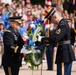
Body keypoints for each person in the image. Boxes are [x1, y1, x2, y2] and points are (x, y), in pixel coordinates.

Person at [41, 7, 75, 75]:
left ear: (55, 17)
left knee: (63, 73)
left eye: (52, 20)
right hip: (63, 52)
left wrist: (42, 39)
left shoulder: (62, 25)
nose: (52, 22)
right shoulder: (61, 24)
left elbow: (55, 38)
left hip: (64, 53)